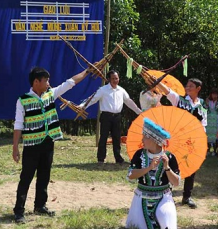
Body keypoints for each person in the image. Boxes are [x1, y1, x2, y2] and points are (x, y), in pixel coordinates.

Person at [12, 67, 89, 224]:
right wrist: (15, 147)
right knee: (26, 178)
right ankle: (19, 211)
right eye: (45, 80)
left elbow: (70, 82)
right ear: (36, 82)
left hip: (48, 142)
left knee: (44, 175)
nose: (48, 83)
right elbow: (18, 125)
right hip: (32, 145)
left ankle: (40, 205)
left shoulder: (51, 94)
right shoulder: (22, 100)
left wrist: (88, 71)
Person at [156, 77, 206, 208]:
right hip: (177, 138)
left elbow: (203, 125)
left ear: (198, 89)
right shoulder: (180, 100)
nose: (187, 88)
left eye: (191, 86)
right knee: (172, 165)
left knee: (191, 167)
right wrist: (157, 82)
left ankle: (187, 196)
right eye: (187, 85)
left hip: (193, 140)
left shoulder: (202, 105)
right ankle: (167, 194)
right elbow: (168, 92)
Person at [126, 118, 181, 229]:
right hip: (141, 197)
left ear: (154, 140)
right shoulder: (139, 154)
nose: (142, 140)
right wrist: (149, 168)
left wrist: (167, 167)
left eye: (145, 137)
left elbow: (176, 182)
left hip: (163, 197)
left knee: (168, 225)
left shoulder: (169, 157)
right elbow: (130, 175)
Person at [81, 70, 142, 164]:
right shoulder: (103, 90)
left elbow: (128, 101)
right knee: (103, 137)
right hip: (106, 116)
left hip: (117, 116)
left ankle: (118, 158)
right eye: (113, 78)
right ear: (109, 79)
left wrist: (139, 111)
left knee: (117, 138)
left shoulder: (121, 90)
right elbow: (93, 99)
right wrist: (82, 106)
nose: (115, 80)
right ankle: (101, 158)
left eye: (116, 78)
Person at [205, 88, 218, 156]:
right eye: (213, 94)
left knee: (216, 134)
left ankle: (215, 149)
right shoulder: (208, 101)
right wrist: (207, 104)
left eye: (216, 94)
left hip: (217, 119)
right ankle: (208, 149)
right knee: (208, 134)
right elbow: (205, 110)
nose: (214, 96)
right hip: (209, 119)